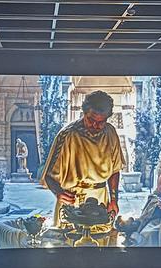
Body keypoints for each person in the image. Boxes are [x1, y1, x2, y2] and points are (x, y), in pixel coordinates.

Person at [40, 90, 125, 226]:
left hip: (101, 202)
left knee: (101, 244)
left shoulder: (110, 133)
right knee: (69, 244)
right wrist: (59, 193)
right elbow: (49, 175)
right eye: (91, 120)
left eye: (101, 122)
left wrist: (114, 199)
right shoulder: (67, 135)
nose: (96, 126)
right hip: (72, 201)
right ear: (84, 113)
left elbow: (114, 170)